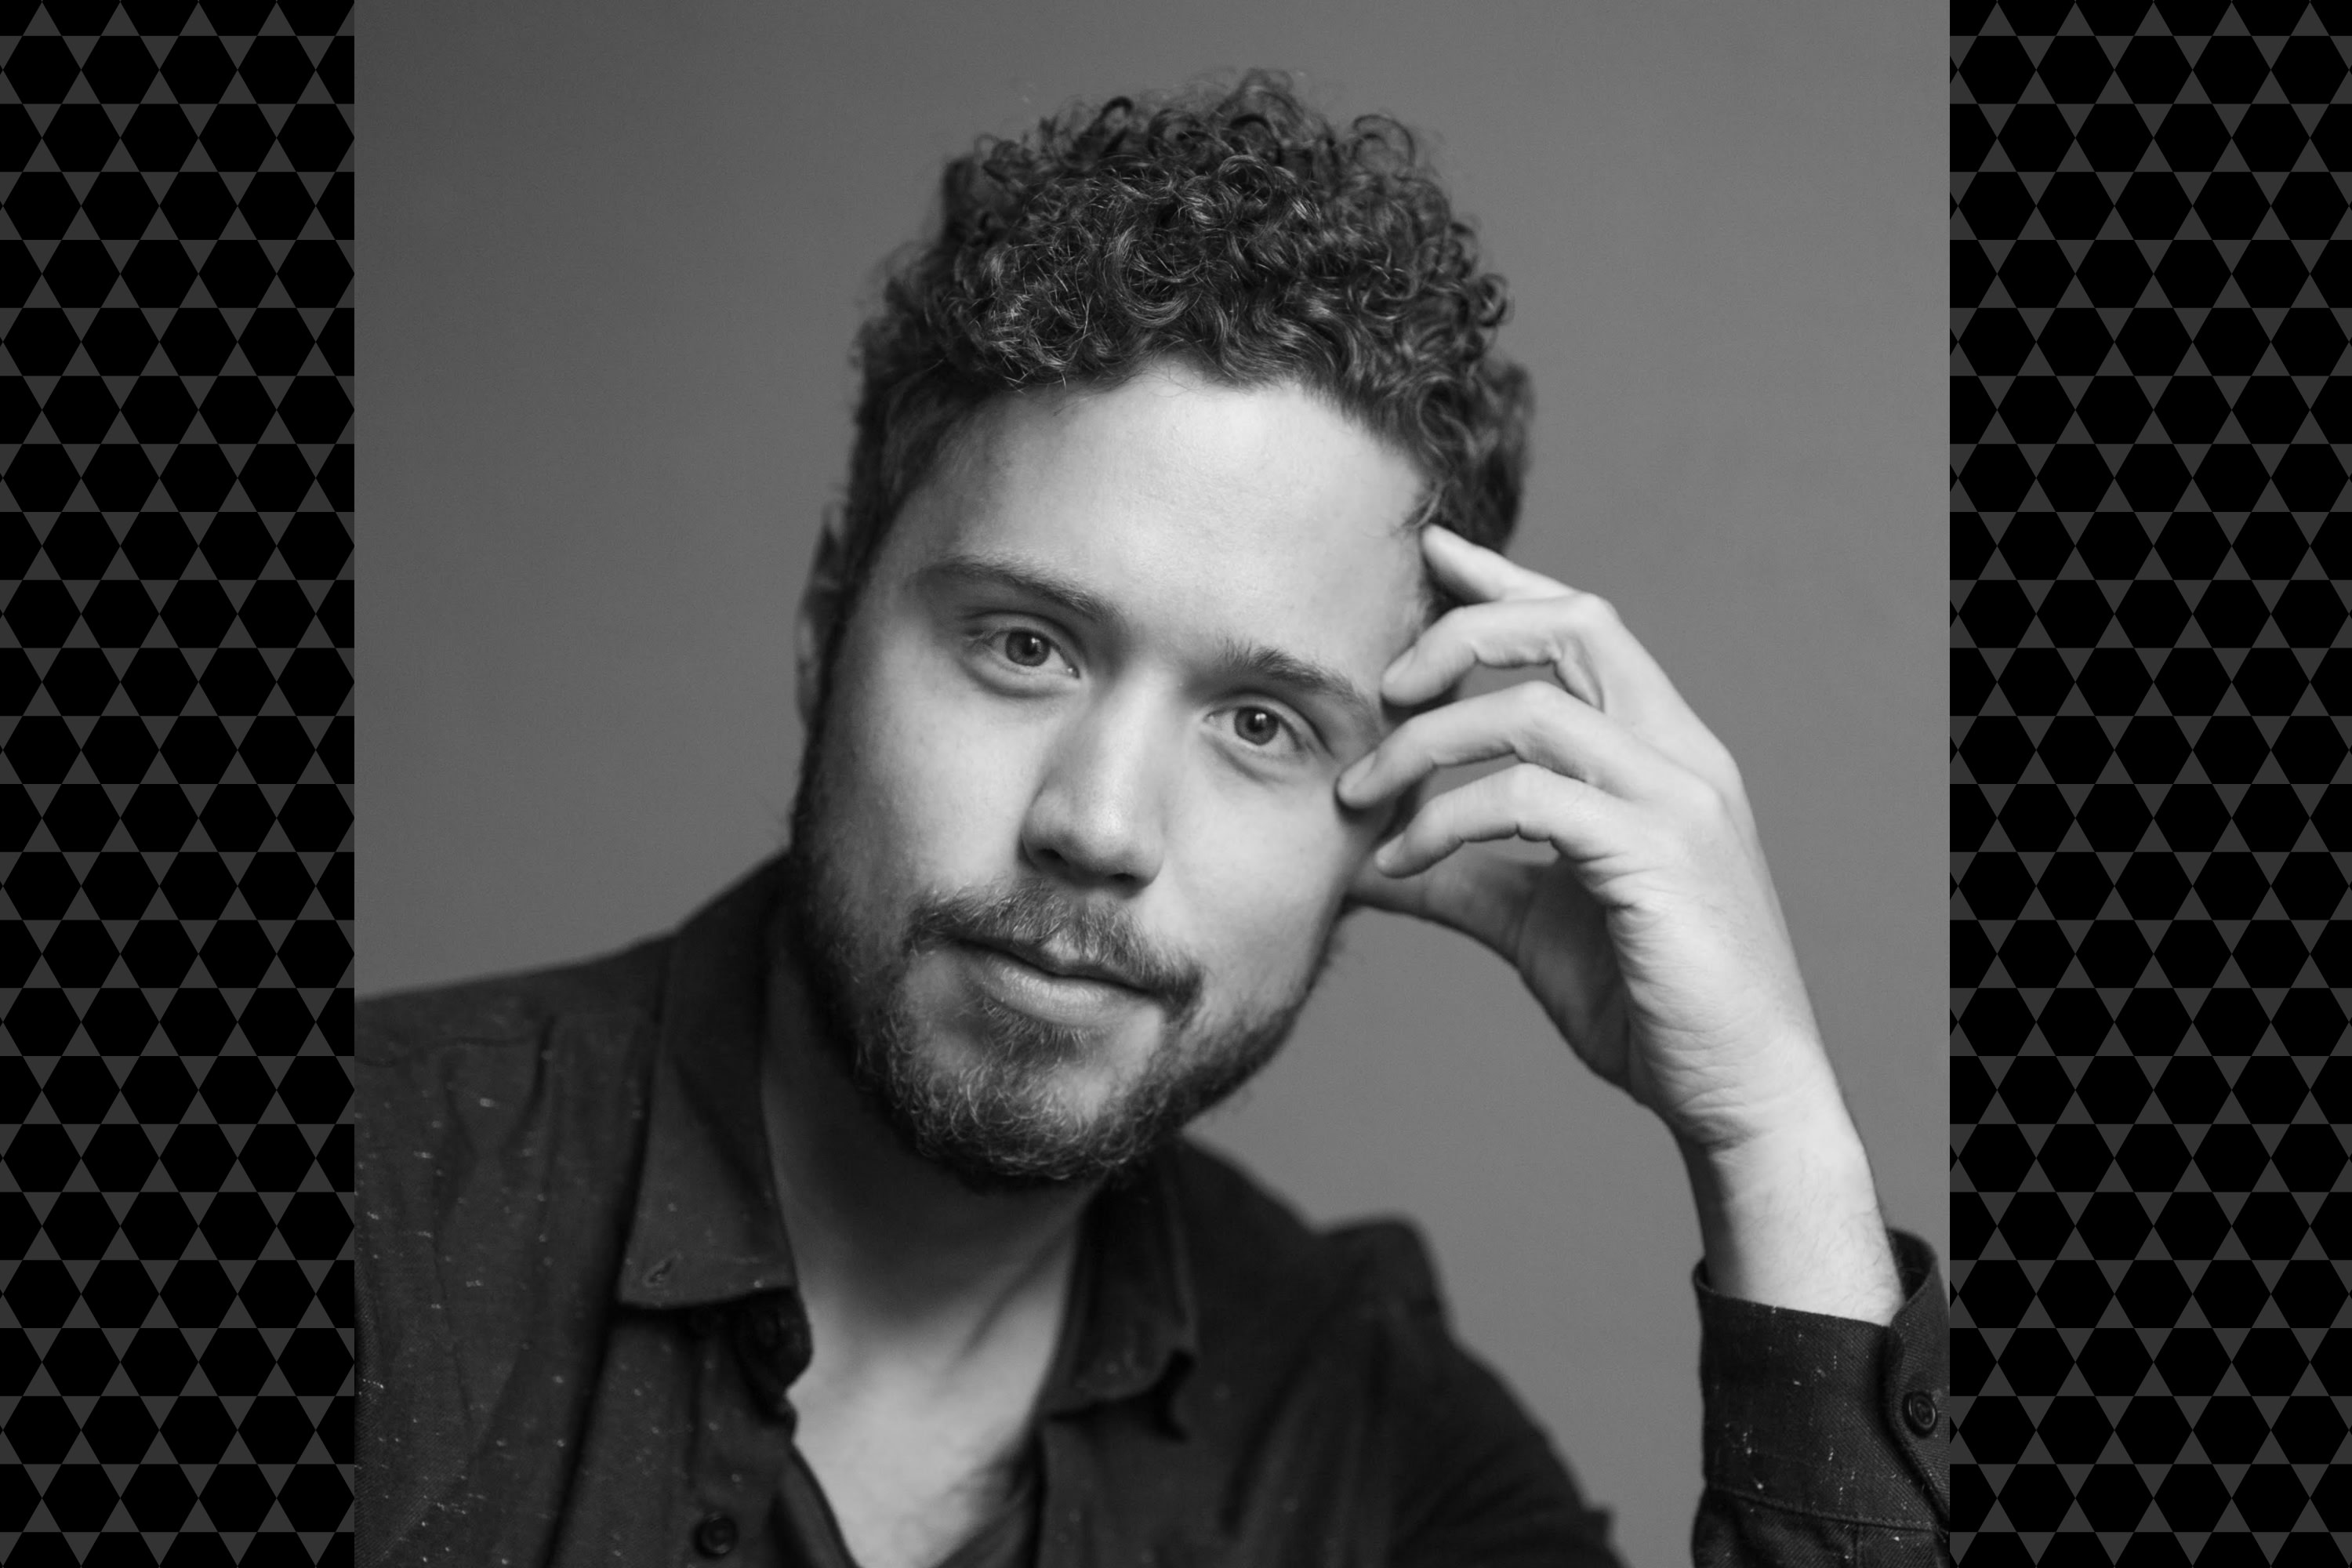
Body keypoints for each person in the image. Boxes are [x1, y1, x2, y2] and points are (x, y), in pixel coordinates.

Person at [358, 73, 1947, 1567]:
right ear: (826, 625)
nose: (1101, 825)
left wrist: (1772, 1131)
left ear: (1394, 796)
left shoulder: (1368, 1442)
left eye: (1261, 723)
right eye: (1023, 646)